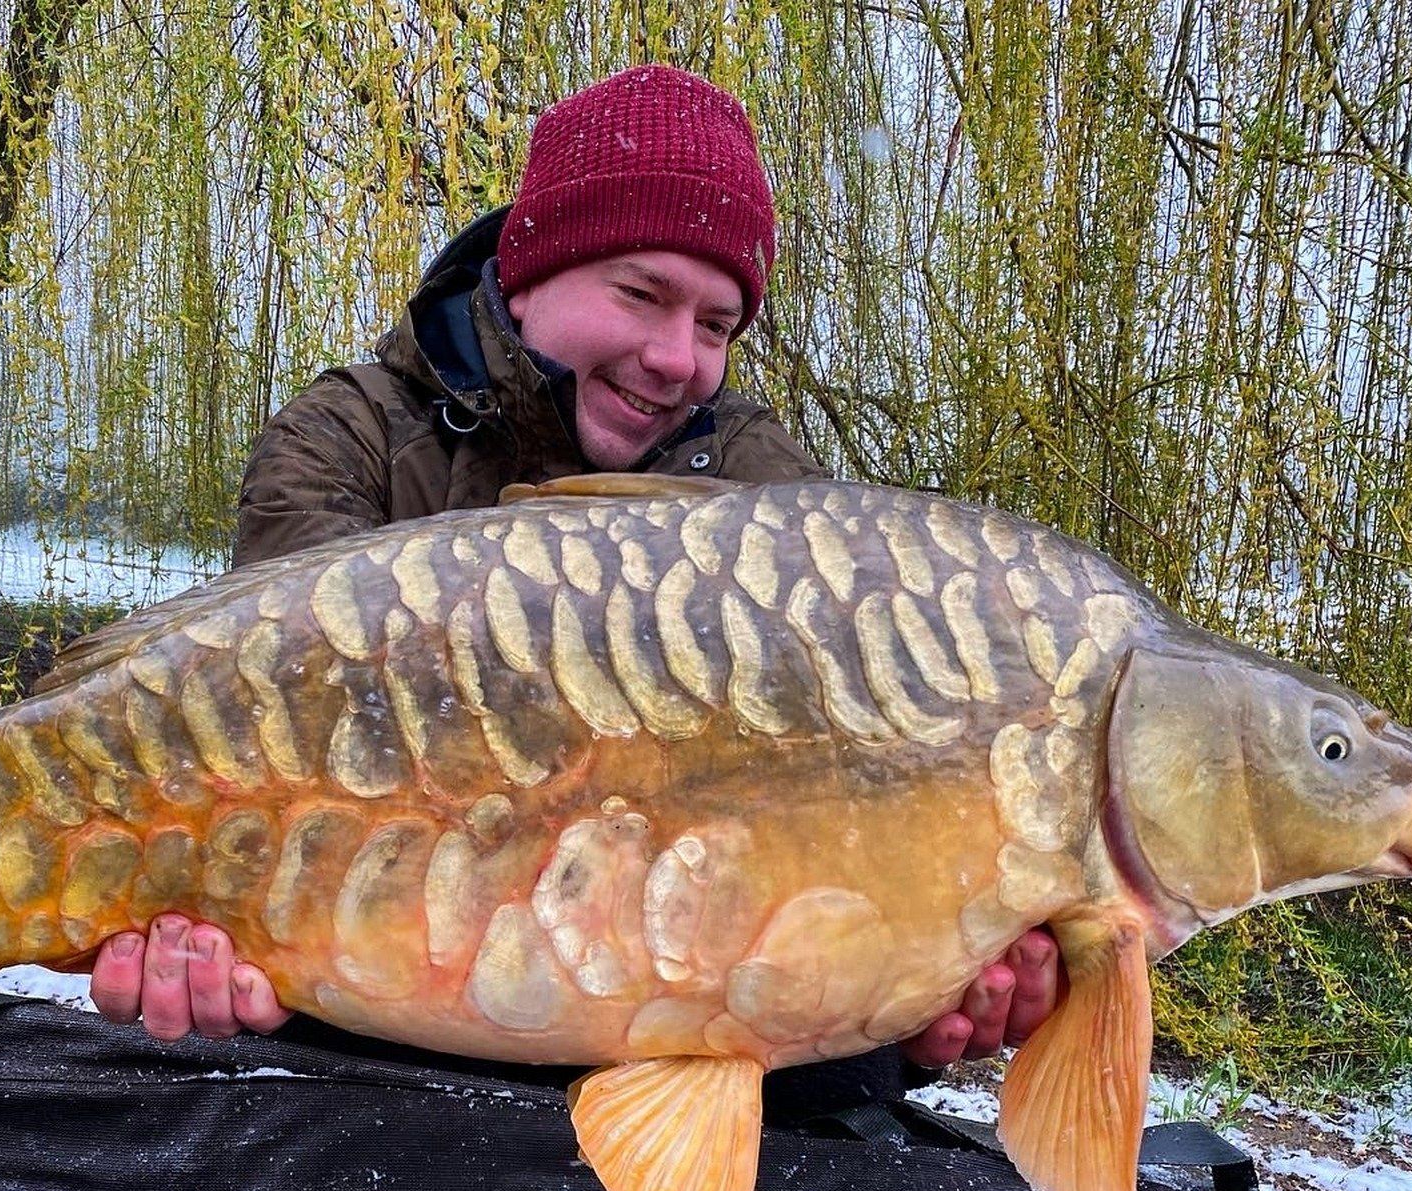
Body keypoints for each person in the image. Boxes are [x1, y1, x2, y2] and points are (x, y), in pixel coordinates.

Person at [88, 64, 1060, 1109]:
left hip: (690, 1029)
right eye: (641, 294)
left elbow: (843, 823)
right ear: (529, 271)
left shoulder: (770, 498)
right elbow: (260, 731)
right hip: (387, 1022)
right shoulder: (350, 438)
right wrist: (199, 932)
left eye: (718, 326)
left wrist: (914, 993)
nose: (675, 357)